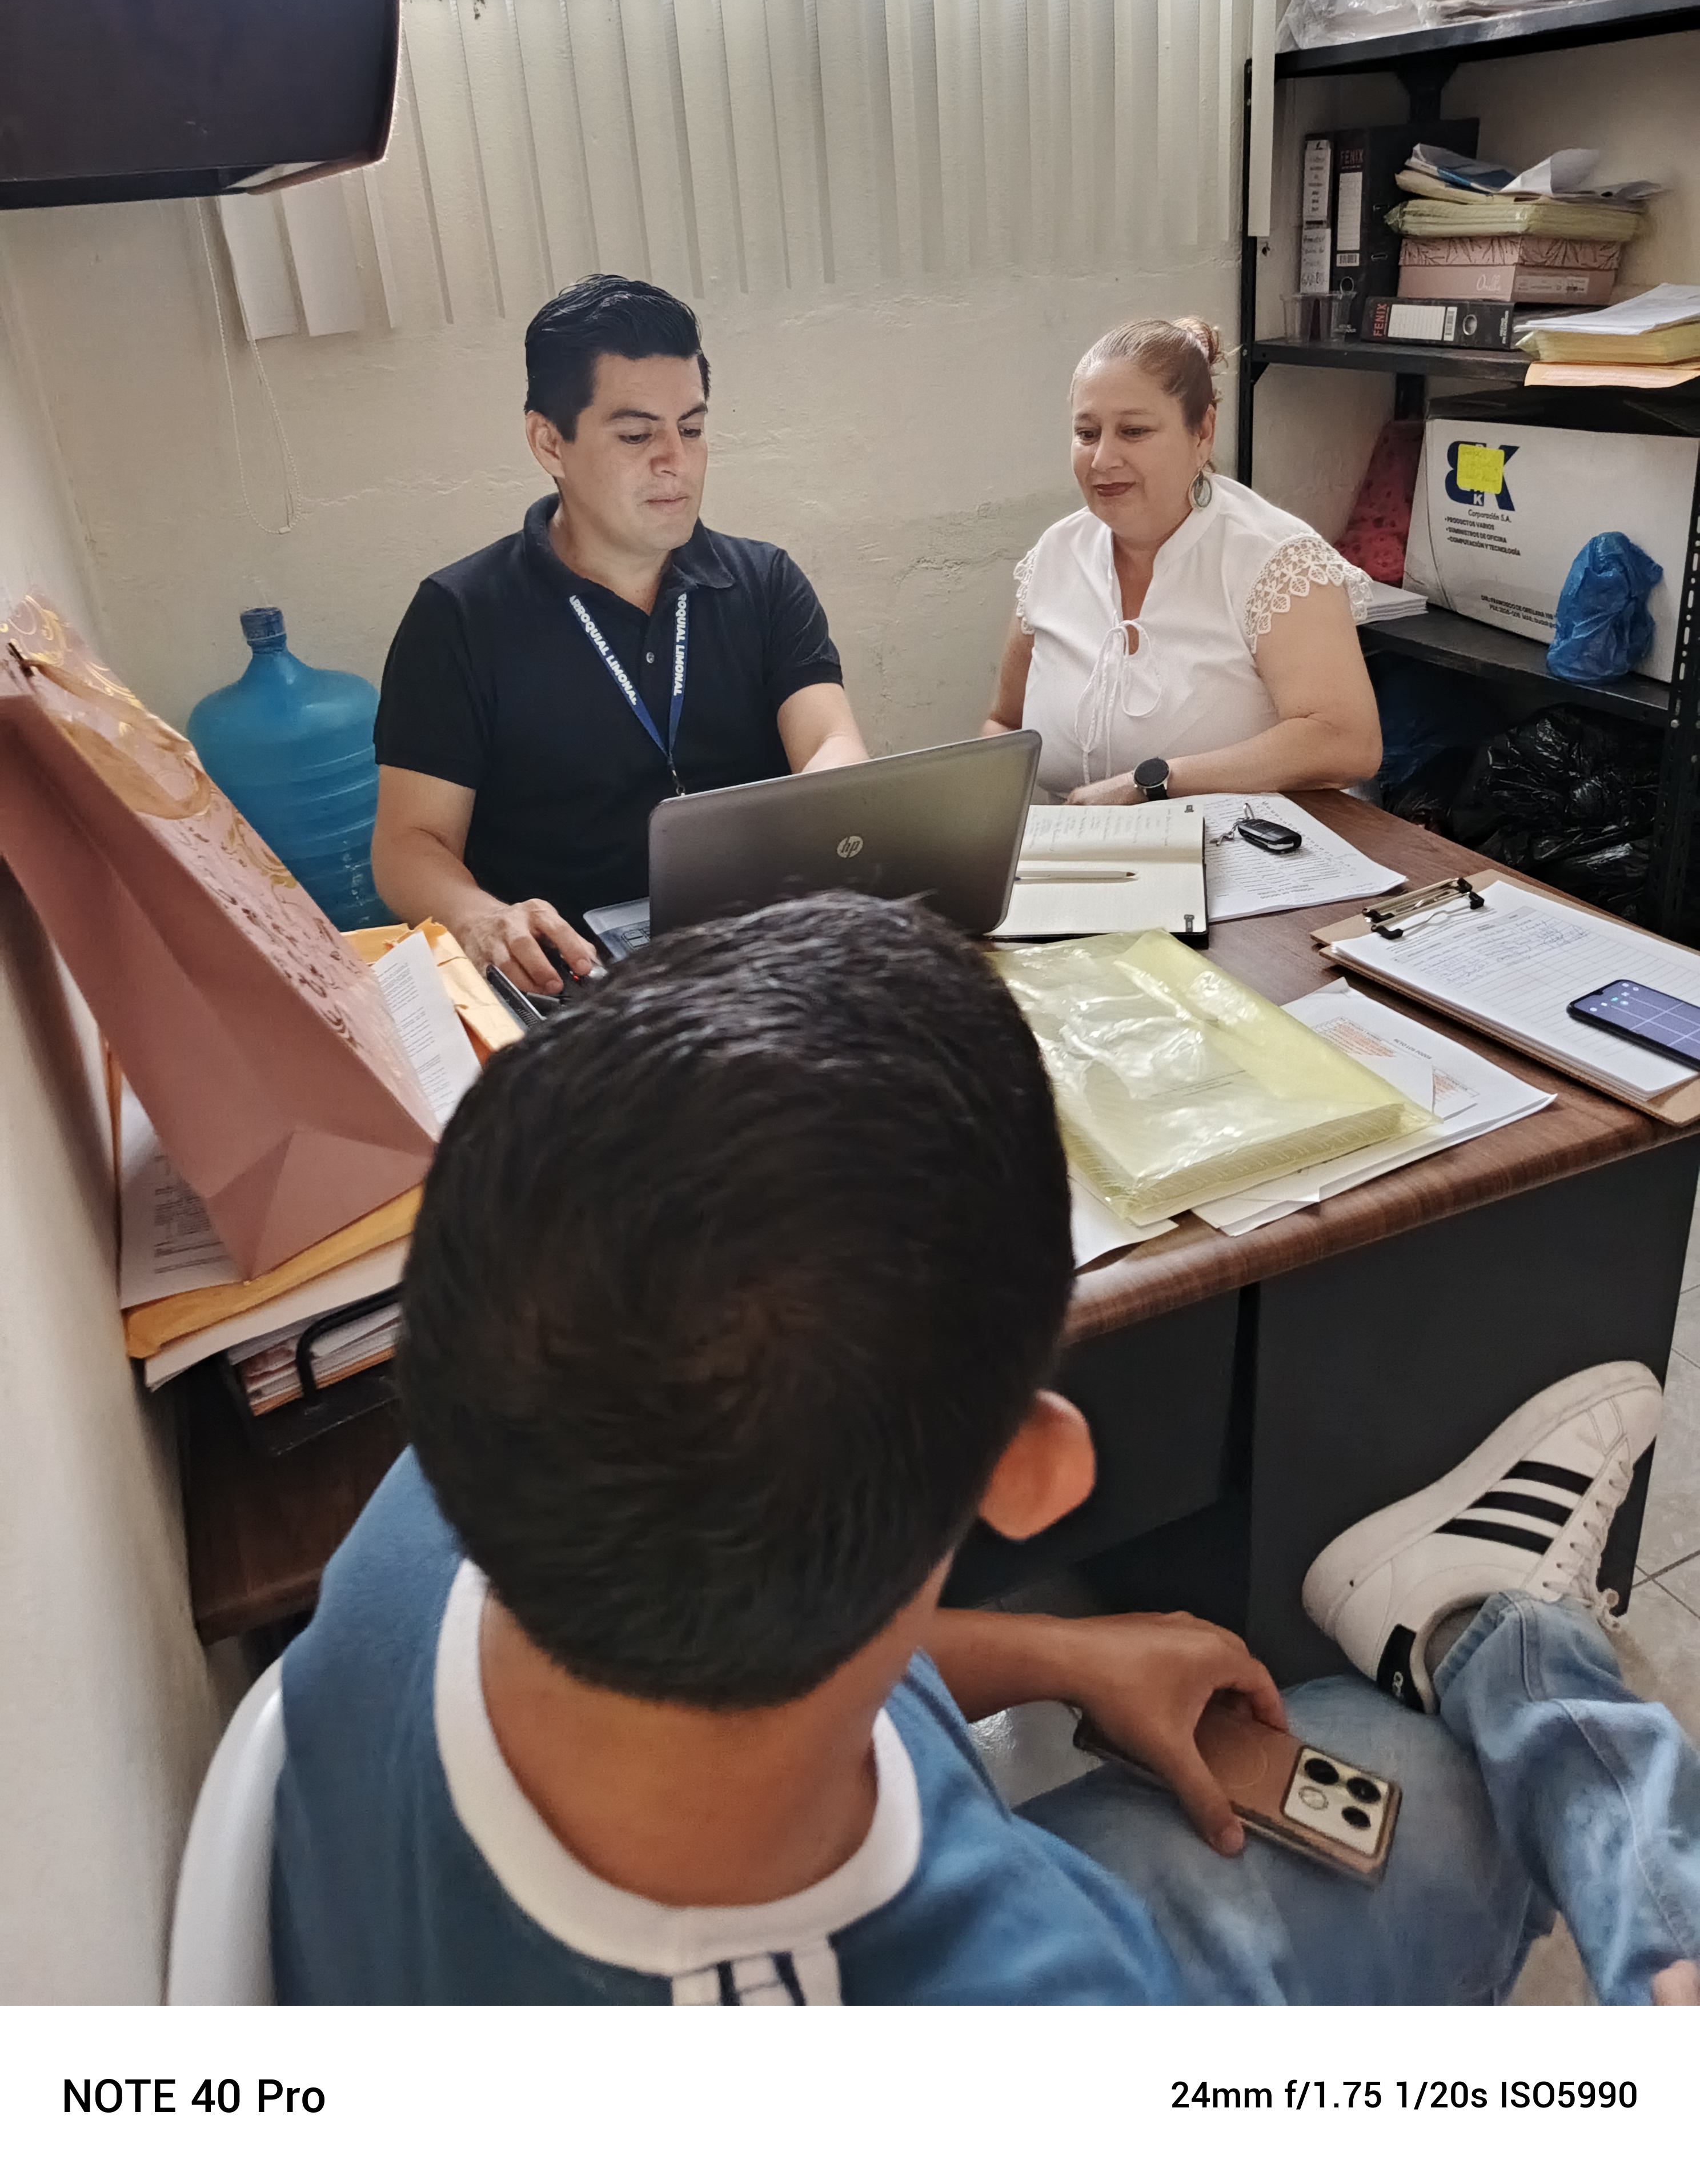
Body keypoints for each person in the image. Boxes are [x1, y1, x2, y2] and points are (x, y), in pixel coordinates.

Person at [271, 896, 1700, 2006]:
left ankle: (1500, 1646)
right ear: (1035, 1467)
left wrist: (1060, 1655)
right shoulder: (1040, 2006)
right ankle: (1506, 1644)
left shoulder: (460, 1478)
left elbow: (719, 1644)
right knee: (1446, 1796)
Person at [370, 274, 867, 989]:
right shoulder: (460, 615)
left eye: (691, 429)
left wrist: (832, 811)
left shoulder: (764, 583)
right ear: (550, 442)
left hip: (757, 955)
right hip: (574, 976)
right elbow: (409, 844)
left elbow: (830, 743)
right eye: (637, 435)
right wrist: (482, 917)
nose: (675, 461)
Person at [983, 317, 1383, 806]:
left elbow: (1346, 741)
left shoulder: (1275, 561)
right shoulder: (1056, 555)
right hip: (1074, 848)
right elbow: (1005, 723)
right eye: (1087, 433)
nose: (1102, 459)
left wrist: (1151, 782)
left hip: (1240, 845)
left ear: (1203, 433)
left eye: (1134, 431)